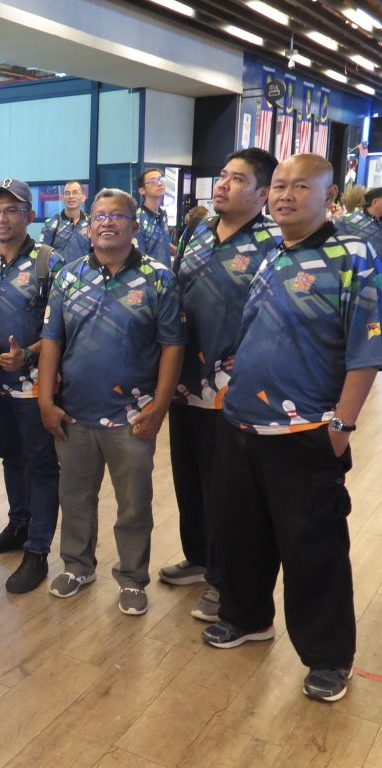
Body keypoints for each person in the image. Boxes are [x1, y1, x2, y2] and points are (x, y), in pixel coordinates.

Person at [201, 154, 382, 703]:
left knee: (313, 549)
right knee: (241, 533)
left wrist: (340, 426)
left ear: (329, 197)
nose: (285, 195)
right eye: (279, 185)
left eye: (300, 186)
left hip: (305, 430)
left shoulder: (354, 255)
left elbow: (367, 351)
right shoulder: (271, 252)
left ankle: (328, 657)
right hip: (241, 423)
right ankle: (247, 617)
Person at [39, 188, 186, 616]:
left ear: (134, 227)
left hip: (132, 417)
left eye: (117, 216)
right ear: (89, 227)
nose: (106, 223)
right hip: (74, 413)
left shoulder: (159, 278)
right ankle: (77, 566)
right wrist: (45, 400)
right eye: (99, 216)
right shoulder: (69, 276)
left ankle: (132, 578)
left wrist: (159, 408)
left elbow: (173, 347)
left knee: (134, 504)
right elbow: (51, 341)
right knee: (75, 497)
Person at [162, 148, 280, 624]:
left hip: (232, 389)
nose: (223, 185)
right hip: (184, 382)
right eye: (223, 176)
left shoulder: (273, 242)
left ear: (262, 193)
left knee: (225, 491)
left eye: (238, 179)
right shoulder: (198, 232)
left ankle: (222, 578)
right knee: (188, 477)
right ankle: (198, 558)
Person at [0, 179, 60, 594]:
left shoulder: (49, 263)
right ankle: (19, 525)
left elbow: (62, 325)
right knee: (10, 456)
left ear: (29, 216)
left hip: (35, 386)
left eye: (11, 210)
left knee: (40, 464)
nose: (1, 218)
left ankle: (38, 550)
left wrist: (30, 355)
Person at [39, 181, 90, 263]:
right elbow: (42, 254)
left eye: (75, 192)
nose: (71, 196)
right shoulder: (51, 224)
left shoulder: (91, 223)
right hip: (58, 270)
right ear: (63, 198)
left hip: (85, 270)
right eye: (67, 193)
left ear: (83, 197)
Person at [135, 168, 174, 263]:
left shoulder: (163, 214)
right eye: (153, 181)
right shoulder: (138, 220)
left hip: (166, 271)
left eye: (161, 180)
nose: (159, 184)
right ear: (142, 190)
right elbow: (139, 258)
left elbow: (162, 243)